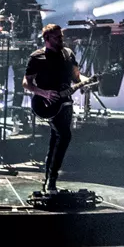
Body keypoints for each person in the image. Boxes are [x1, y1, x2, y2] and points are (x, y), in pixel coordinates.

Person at [24, 23, 84, 192]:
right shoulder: (37, 57)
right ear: (47, 38)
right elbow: (26, 83)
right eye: (57, 37)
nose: (61, 39)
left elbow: (77, 78)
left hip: (66, 103)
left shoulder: (68, 54)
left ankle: (49, 179)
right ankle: (51, 179)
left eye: (61, 37)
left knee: (56, 138)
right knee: (64, 136)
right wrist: (44, 93)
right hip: (46, 103)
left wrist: (88, 82)